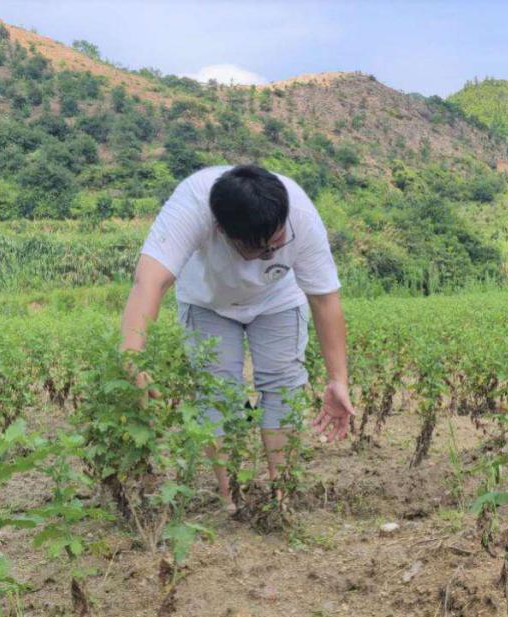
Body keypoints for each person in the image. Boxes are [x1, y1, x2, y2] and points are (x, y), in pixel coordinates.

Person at [120, 164, 356, 512]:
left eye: (277, 243)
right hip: (207, 301)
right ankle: (233, 497)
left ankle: (281, 496)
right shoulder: (193, 204)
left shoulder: (300, 214)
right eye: (260, 251)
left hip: (278, 299)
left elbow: (324, 298)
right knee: (217, 393)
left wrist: (338, 379)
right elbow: (149, 281)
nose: (271, 254)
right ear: (221, 230)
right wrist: (131, 359)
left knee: (283, 384)